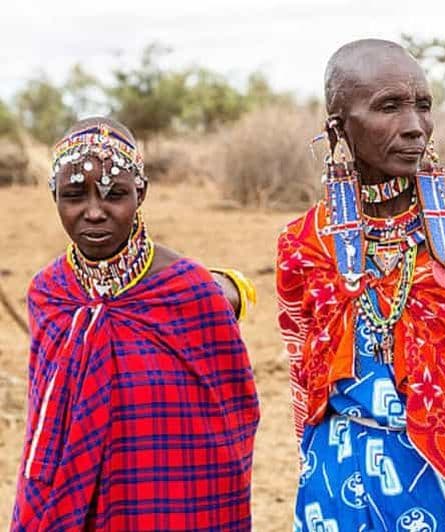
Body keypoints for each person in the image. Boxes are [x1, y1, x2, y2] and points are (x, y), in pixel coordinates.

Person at [276, 39, 445, 531]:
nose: (414, 126)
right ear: (338, 128)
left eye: (423, 105)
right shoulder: (304, 244)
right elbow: (307, 388)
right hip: (339, 490)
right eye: (388, 107)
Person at [12, 117, 260, 531]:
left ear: (140, 193)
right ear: (54, 195)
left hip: (170, 501)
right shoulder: (49, 294)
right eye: (74, 195)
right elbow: (45, 422)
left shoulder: (191, 291)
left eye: (115, 194)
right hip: (75, 506)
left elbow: (230, 412)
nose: (94, 212)